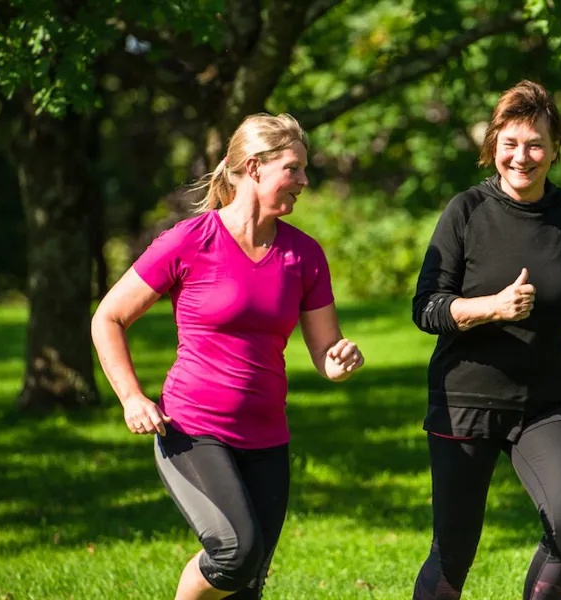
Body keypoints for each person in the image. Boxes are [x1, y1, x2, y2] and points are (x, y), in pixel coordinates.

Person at [91, 113, 364, 600]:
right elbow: (108, 317)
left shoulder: (304, 255)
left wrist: (337, 362)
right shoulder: (190, 241)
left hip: (267, 437)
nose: (303, 181)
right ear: (255, 167)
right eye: (294, 169)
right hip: (194, 430)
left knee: (248, 583)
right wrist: (132, 397)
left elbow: (325, 349)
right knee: (235, 555)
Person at [411, 80, 561, 600]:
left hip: (543, 403)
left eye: (534, 145)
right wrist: (492, 308)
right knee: (454, 551)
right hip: (465, 403)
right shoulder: (466, 212)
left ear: (554, 149)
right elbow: (427, 307)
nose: (521, 157)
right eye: (510, 143)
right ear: (493, 146)